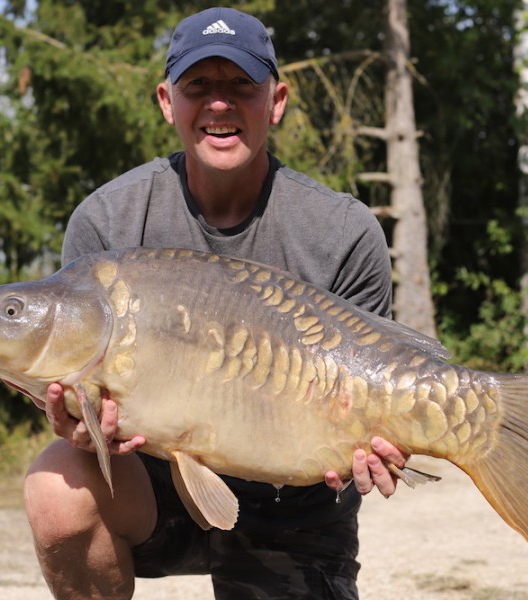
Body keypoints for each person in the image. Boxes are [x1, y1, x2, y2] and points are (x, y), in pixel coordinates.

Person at [24, 7, 408, 600]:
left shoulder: (343, 231)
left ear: (275, 101)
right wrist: (80, 425)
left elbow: (379, 377)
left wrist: (386, 439)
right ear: (166, 100)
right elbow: (79, 395)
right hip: (156, 491)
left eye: (241, 86)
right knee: (55, 484)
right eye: (199, 86)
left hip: (299, 502)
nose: (220, 104)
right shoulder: (108, 222)